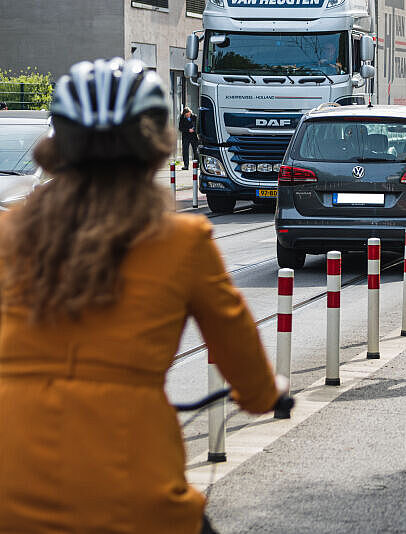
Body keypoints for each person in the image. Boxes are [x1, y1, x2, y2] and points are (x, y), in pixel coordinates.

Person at [0, 58, 286, 534]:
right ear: (155, 151)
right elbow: (244, 363)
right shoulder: (183, 241)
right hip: (132, 495)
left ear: (56, 147)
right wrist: (266, 395)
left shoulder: (6, 233)